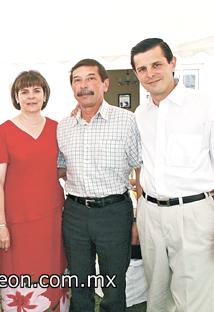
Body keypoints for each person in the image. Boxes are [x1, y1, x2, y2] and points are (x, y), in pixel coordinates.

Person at [131, 38, 214, 312]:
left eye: (156, 64)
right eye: (142, 69)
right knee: (157, 293)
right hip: (150, 213)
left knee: (194, 297)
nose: (150, 73)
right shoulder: (140, 114)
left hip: (193, 213)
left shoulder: (205, 106)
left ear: (173, 63)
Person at [57, 59, 141, 311]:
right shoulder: (64, 126)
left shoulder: (127, 121)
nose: (83, 86)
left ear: (105, 83)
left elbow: (140, 168)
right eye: (77, 80)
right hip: (75, 213)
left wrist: (139, 218)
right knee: (78, 280)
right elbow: (60, 168)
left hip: (114, 213)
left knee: (114, 284)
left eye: (90, 78)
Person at [0, 70, 68, 311]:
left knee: (53, 275)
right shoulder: (3, 132)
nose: (31, 96)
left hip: (52, 218)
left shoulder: (59, 128)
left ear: (45, 95)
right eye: (24, 91)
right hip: (17, 223)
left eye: (36, 90)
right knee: (20, 278)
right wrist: (0, 225)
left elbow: (61, 169)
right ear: (16, 96)